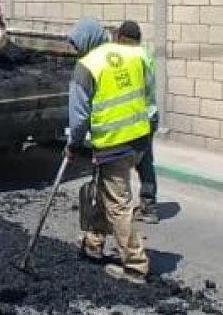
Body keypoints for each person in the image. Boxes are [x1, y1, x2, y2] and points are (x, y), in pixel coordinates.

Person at [65, 17, 153, 284]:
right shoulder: (132, 54)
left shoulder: (87, 66)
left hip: (114, 143)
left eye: (77, 45)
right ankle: (93, 244)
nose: (76, 51)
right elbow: (147, 90)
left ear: (86, 41)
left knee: (118, 204)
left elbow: (78, 117)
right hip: (139, 138)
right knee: (106, 191)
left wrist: (72, 144)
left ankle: (135, 266)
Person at [114, 21, 160, 224]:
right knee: (145, 161)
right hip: (150, 115)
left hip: (136, 117)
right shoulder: (145, 54)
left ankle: (120, 207)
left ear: (122, 38)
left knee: (120, 161)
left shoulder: (130, 58)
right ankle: (149, 207)